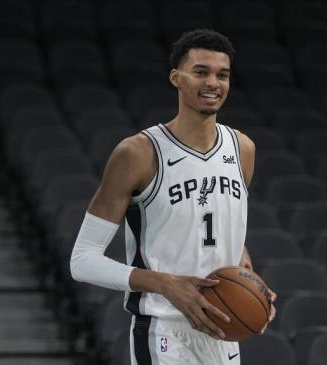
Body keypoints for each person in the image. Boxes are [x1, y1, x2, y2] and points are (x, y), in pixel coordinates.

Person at [70, 29, 276, 365]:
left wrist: (250, 281)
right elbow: (82, 260)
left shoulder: (242, 149)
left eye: (222, 75)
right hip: (165, 333)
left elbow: (217, 226)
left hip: (224, 336)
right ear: (176, 78)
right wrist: (165, 284)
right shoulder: (137, 153)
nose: (213, 82)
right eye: (201, 72)